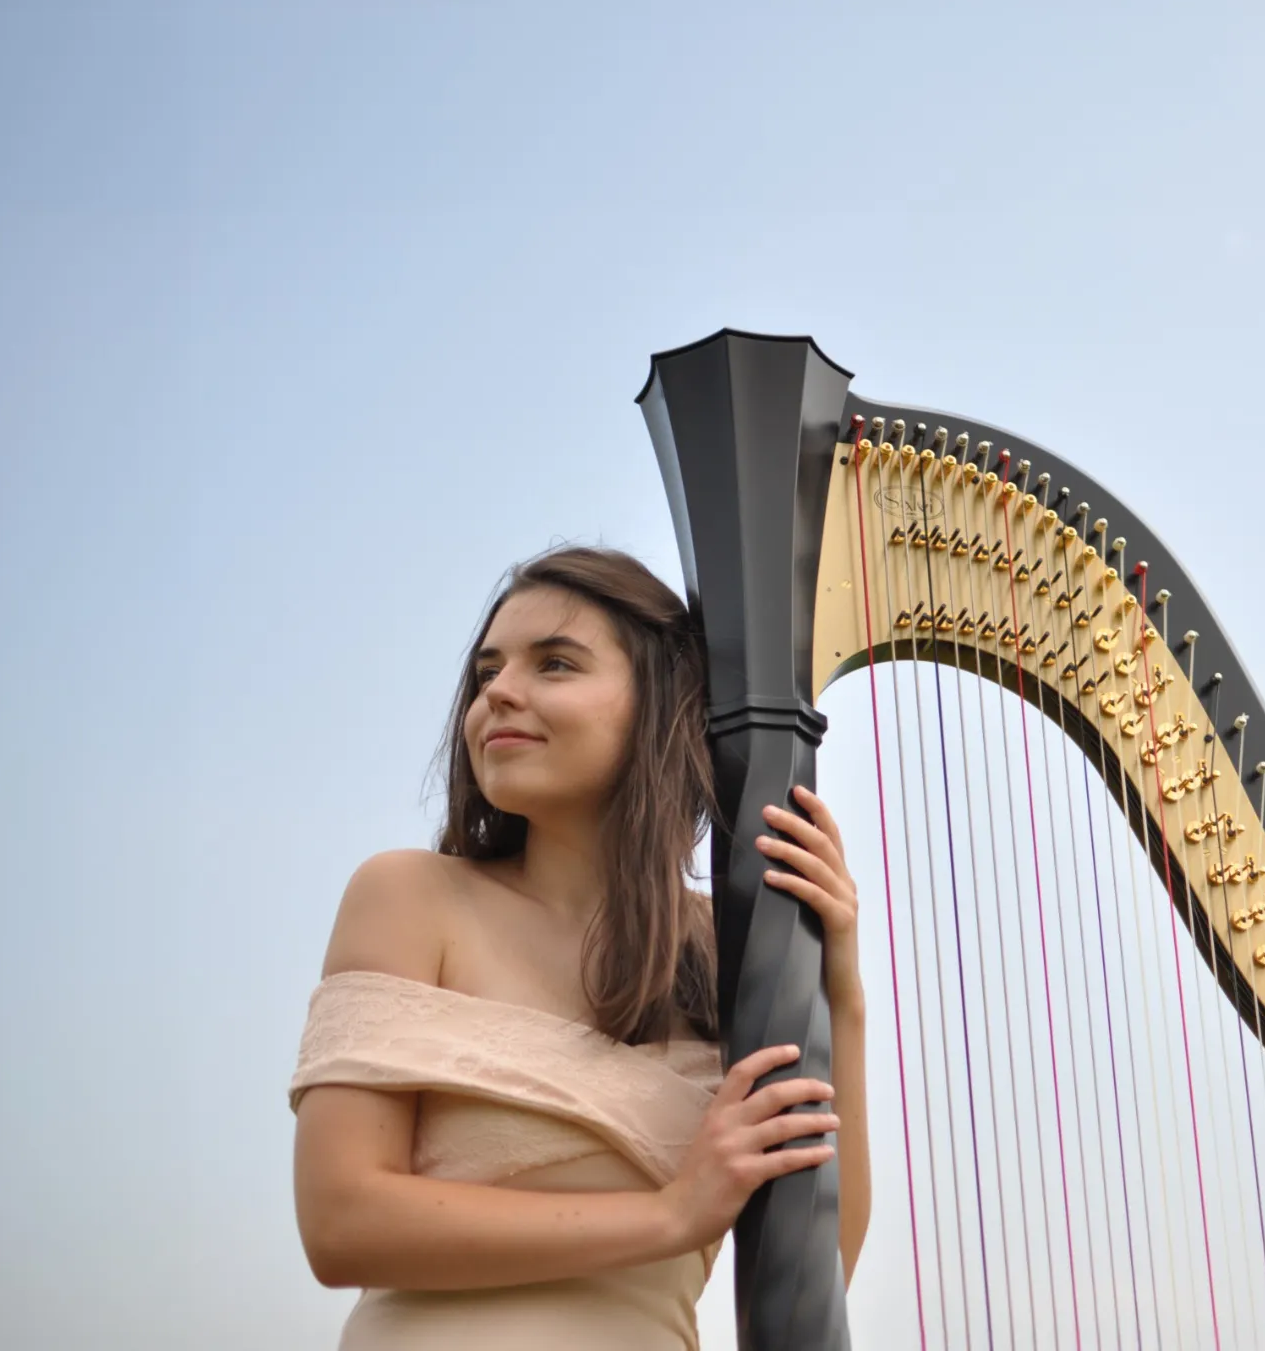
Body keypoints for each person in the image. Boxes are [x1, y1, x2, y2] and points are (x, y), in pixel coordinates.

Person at [289, 545, 869, 1348]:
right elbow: (342, 1221)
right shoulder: (411, 897)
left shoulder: (727, 948)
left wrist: (841, 994)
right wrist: (671, 1213)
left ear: (662, 703)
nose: (498, 692)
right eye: (487, 671)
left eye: (555, 663)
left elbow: (815, 1273)